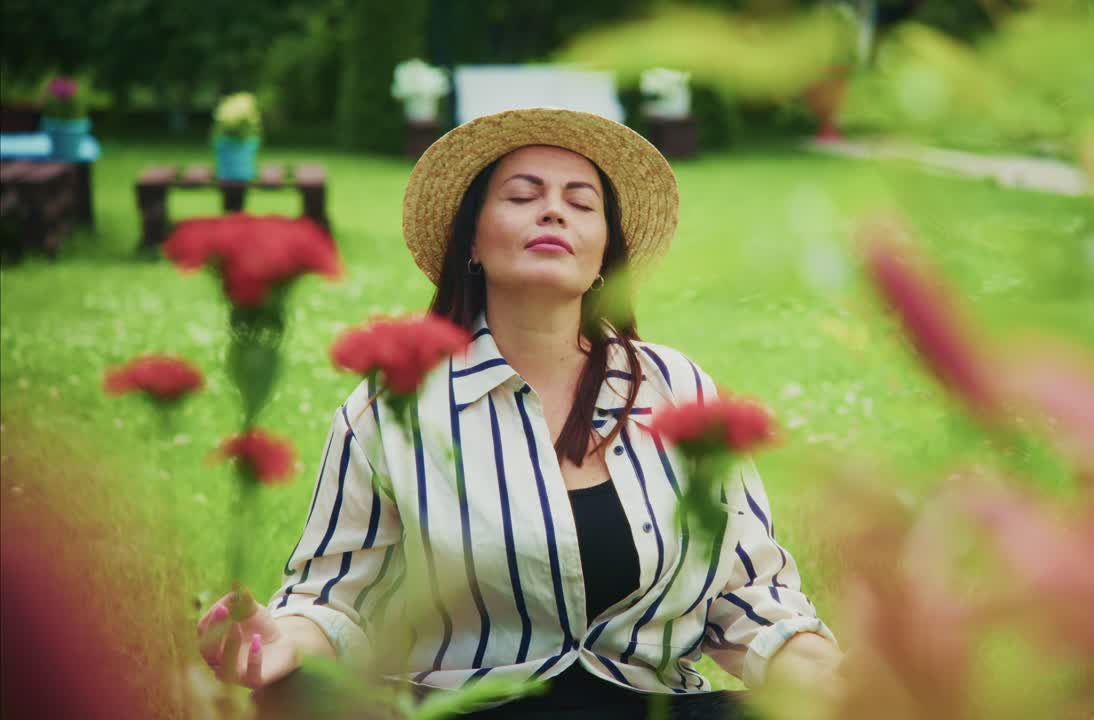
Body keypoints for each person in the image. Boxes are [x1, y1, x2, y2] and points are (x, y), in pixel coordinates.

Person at [196, 107, 841, 719]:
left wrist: (828, 675)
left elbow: (747, 595)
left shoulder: (679, 390)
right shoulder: (392, 407)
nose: (554, 212)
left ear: (602, 258)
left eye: (581, 203)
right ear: (472, 242)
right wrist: (276, 641)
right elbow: (334, 599)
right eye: (523, 196)